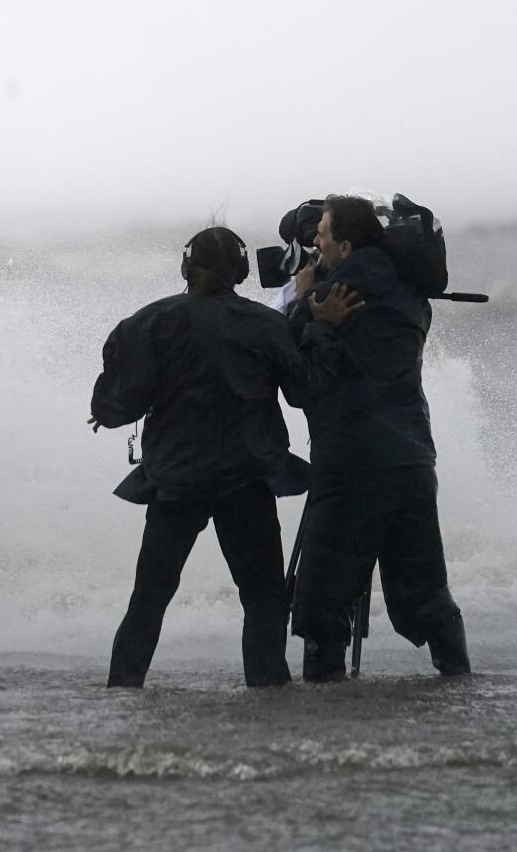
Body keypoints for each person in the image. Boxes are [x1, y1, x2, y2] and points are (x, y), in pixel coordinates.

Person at [91, 226, 360, 688]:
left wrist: (107, 407)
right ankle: (268, 690)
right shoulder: (266, 324)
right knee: (262, 599)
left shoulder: (147, 322)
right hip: (246, 480)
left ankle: (122, 689)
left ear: (186, 268)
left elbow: (117, 407)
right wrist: (321, 327)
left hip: (175, 481)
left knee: (150, 597)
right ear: (239, 272)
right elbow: (304, 391)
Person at [288, 195, 469, 681]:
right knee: (426, 593)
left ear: (345, 245)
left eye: (322, 234)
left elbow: (297, 375)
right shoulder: (410, 288)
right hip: (412, 459)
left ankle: (324, 707)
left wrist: (301, 301)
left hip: (351, 462)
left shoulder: (333, 295)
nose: (315, 242)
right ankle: (460, 682)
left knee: (323, 605)